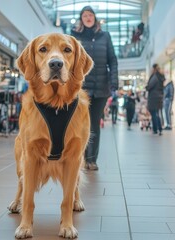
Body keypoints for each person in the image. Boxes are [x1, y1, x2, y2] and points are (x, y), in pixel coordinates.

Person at [71, 6, 118, 171]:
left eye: (90, 15)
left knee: (94, 124)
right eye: (85, 15)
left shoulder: (104, 36)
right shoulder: (74, 36)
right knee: (79, 124)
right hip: (80, 88)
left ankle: (92, 160)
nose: (88, 18)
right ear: (81, 18)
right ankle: (81, 158)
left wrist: (114, 82)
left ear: (95, 18)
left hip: (100, 88)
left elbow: (112, 60)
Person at [146, 64, 165, 135]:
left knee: (154, 113)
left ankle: (156, 128)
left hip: (153, 97)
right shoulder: (160, 77)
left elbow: (149, 86)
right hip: (159, 97)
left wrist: (147, 87)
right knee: (156, 113)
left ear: (154, 69)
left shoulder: (155, 77)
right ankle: (159, 128)